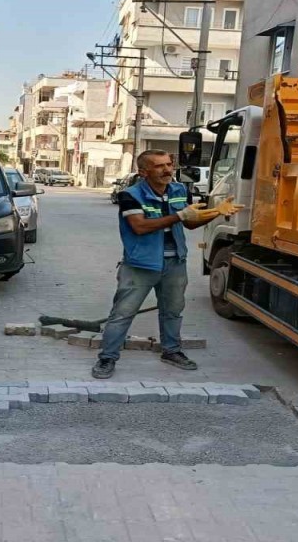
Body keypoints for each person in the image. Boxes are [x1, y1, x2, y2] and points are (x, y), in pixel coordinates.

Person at [91, 150, 243, 380]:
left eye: (169, 165)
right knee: (122, 313)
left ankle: (171, 351)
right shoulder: (130, 195)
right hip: (141, 264)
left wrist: (216, 213)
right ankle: (107, 358)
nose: (167, 170)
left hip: (175, 262)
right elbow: (140, 227)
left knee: (173, 310)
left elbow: (190, 223)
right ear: (144, 172)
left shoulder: (179, 190)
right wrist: (180, 215)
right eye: (160, 166)